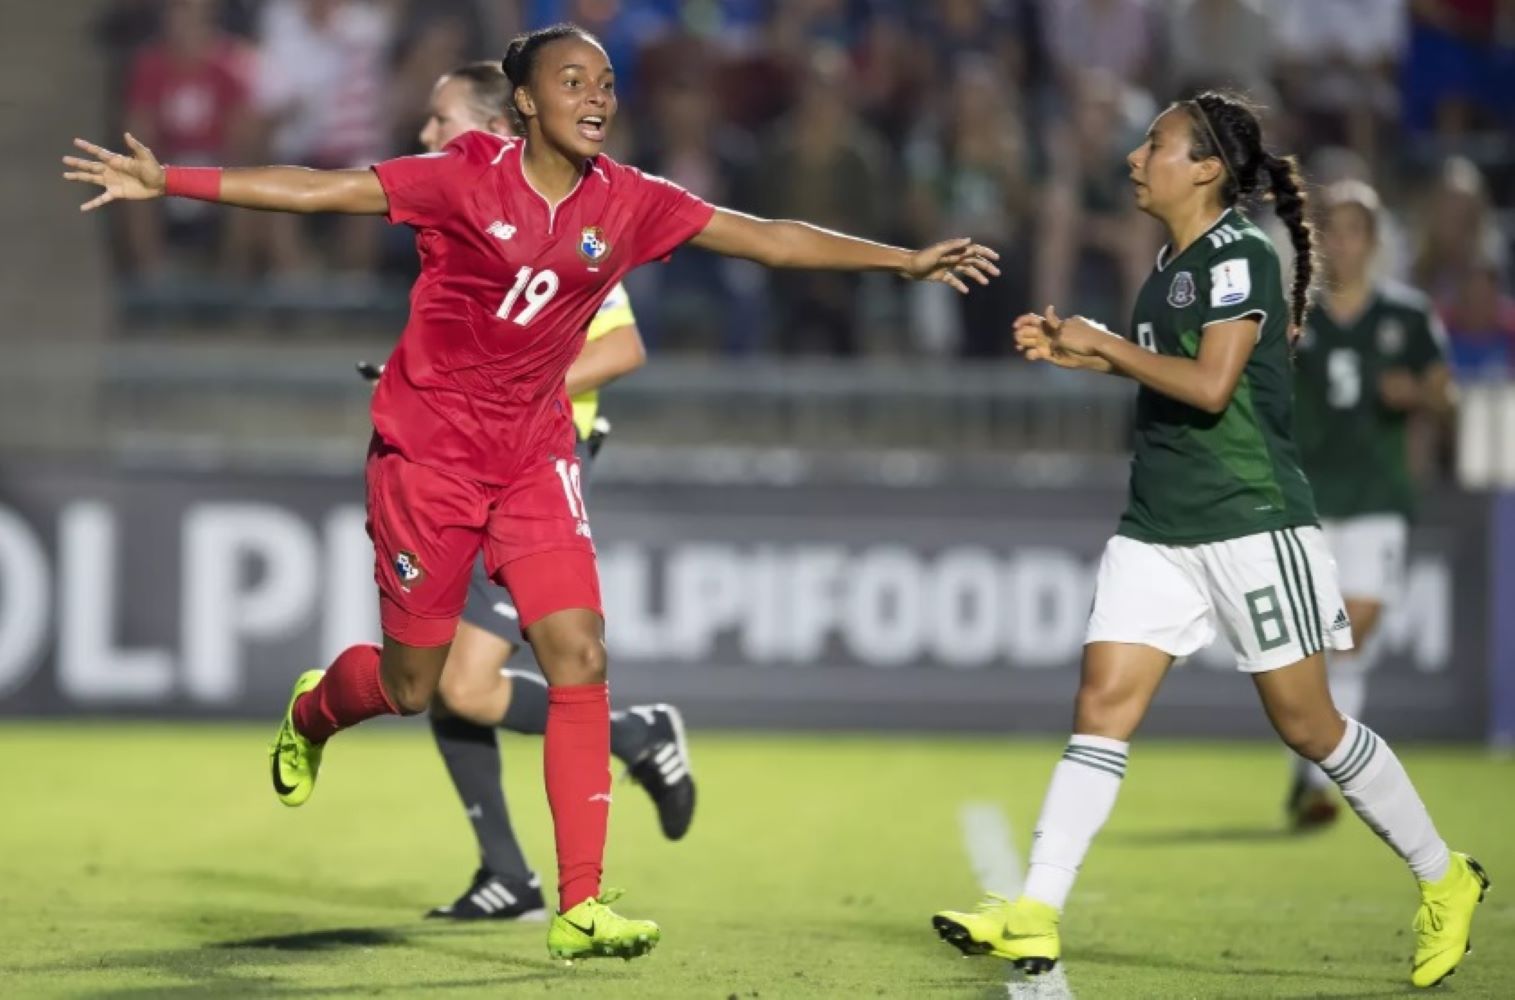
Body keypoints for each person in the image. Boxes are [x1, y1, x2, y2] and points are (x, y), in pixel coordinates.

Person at [64, 22, 998, 963]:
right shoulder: (466, 174)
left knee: (580, 653)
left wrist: (900, 259)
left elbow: (767, 240)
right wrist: (170, 180)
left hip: (534, 457)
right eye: (571, 81)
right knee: (414, 683)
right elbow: (320, 191)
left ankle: (580, 902)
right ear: (525, 103)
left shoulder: (628, 200)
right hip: (426, 460)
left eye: (603, 81)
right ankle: (316, 709)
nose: (597, 97)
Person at [931, 91, 1487, 989]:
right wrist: (1085, 352)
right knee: (1102, 703)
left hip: (1247, 519)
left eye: (1155, 144)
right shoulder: (1169, 262)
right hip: (1158, 523)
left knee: (1308, 723)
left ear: (1205, 169)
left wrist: (1108, 346)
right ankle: (1034, 910)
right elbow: (1168, 378)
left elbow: (1212, 385)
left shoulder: (1239, 256)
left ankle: (1443, 876)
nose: (1134, 157)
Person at [398, 61, 696, 922]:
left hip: (535, 462)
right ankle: (505, 874)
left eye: (440, 117)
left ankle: (637, 737)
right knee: (437, 666)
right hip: (465, 458)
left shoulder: (556, 208)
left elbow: (622, 344)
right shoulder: (465, 214)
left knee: (463, 682)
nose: (426, 135)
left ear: (495, 125)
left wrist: (504, 378)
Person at [1284, 180, 1454, 830]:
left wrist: (1413, 391)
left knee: (1353, 629)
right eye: (1330, 230)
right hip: (1309, 495)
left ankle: (1317, 771)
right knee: (1311, 641)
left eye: (1354, 230)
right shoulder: (1297, 317)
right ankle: (1315, 777)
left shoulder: (1407, 316)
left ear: (1373, 241)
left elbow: (1447, 398)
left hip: (1379, 492)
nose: (1342, 243)